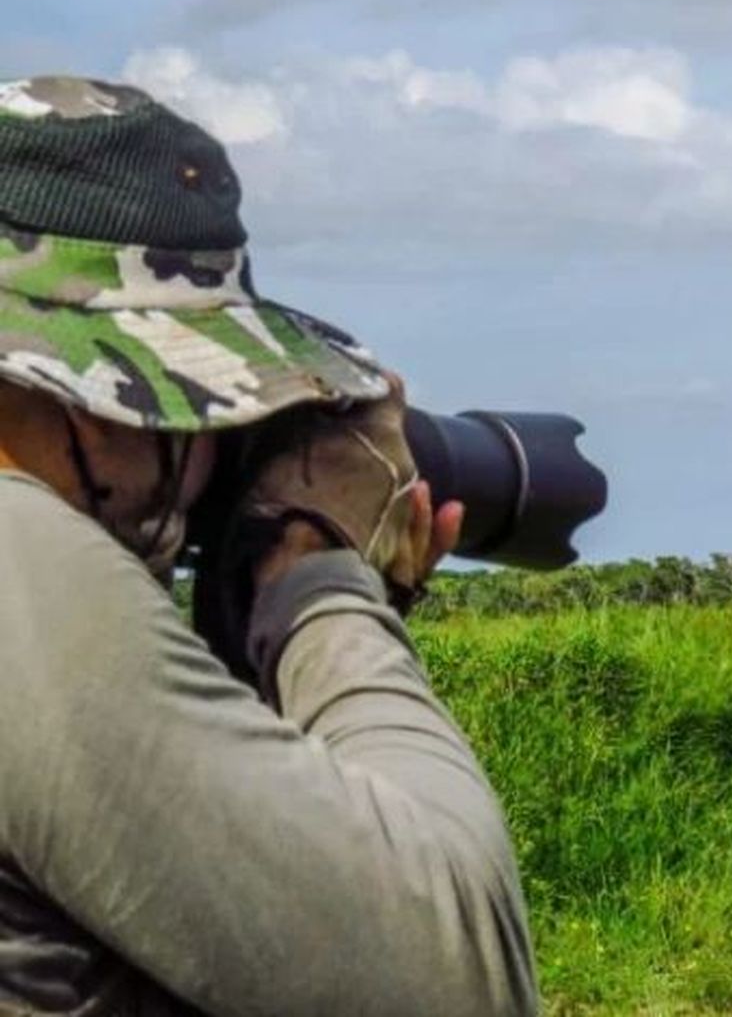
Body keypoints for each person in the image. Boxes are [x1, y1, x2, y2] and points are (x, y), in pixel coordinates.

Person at [0, 76, 539, 1016]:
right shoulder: (20, 557)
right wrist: (319, 580)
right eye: (162, 407)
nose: (201, 454)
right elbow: (453, 981)